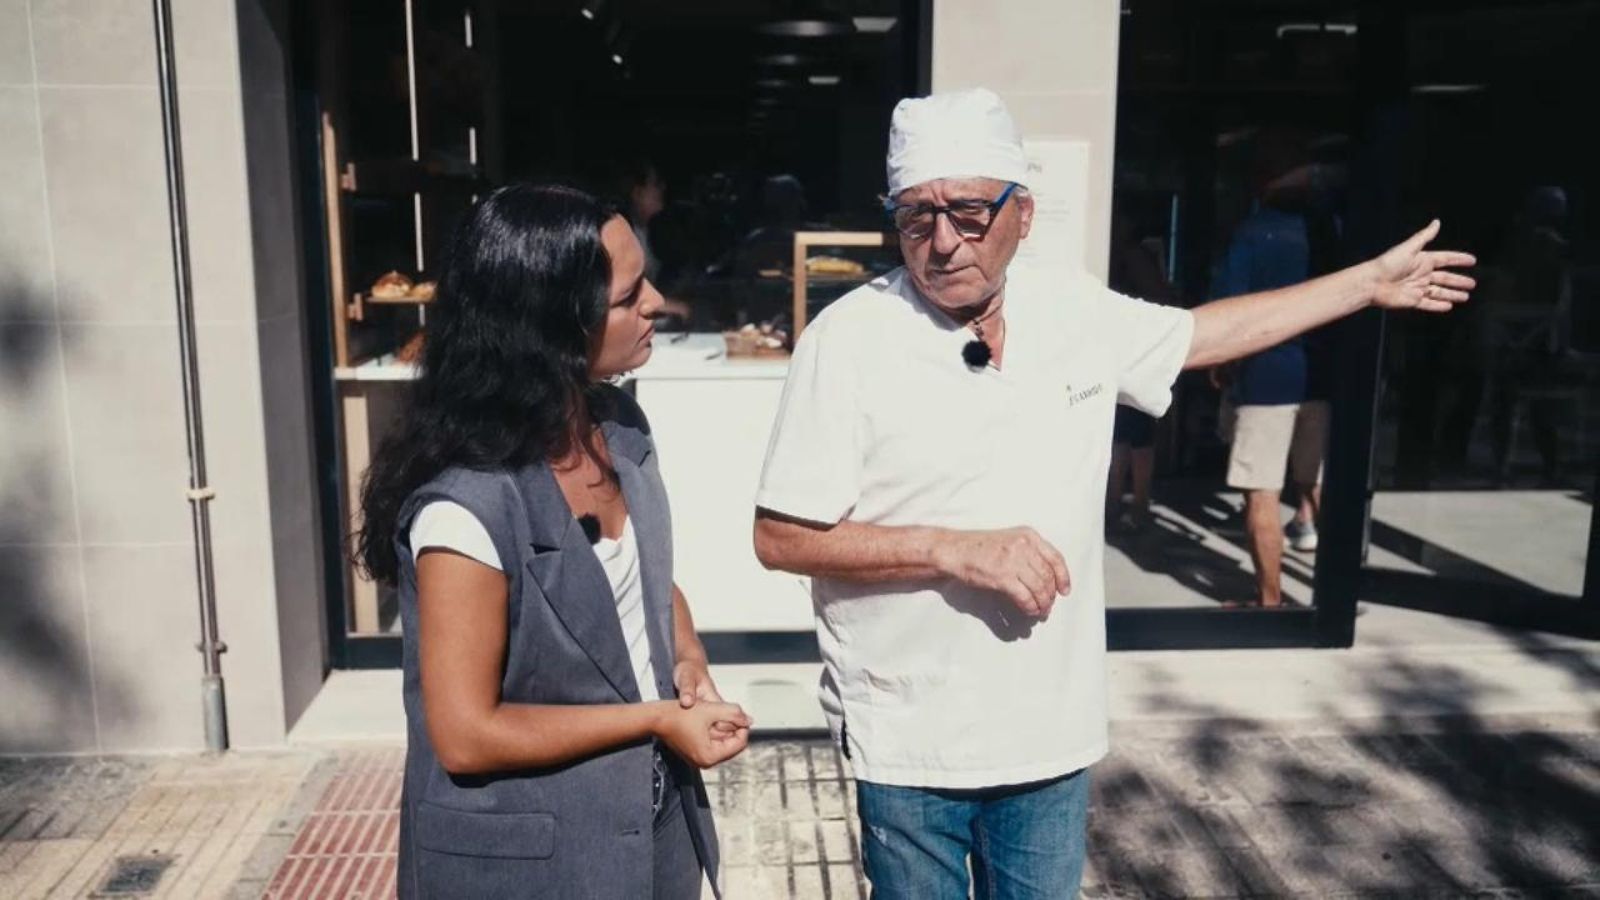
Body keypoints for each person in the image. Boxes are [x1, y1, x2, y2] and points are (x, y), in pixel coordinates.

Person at [751, 88, 1474, 898]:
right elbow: (782, 536)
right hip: (909, 734)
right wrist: (950, 548)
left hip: (1050, 731)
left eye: (967, 211)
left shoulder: (1072, 310)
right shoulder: (848, 340)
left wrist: (1365, 284)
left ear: (1021, 212)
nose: (943, 241)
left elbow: (1206, 334)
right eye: (916, 217)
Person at [356, 184, 751, 899]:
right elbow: (466, 733)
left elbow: (643, 584)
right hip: (527, 865)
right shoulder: (468, 506)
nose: (656, 301)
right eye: (630, 296)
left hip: (653, 832)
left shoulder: (622, 430)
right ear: (553, 325)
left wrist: (687, 659)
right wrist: (658, 717)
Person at [1211, 133, 1338, 603]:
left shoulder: (1251, 234)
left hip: (1266, 379)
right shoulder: (1330, 232)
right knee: (1318, 484)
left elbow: (1234, 310)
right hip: (1323, 377)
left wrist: (1224, 364)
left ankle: (1270, 601)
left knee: (1261, 492)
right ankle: (1335, 594)